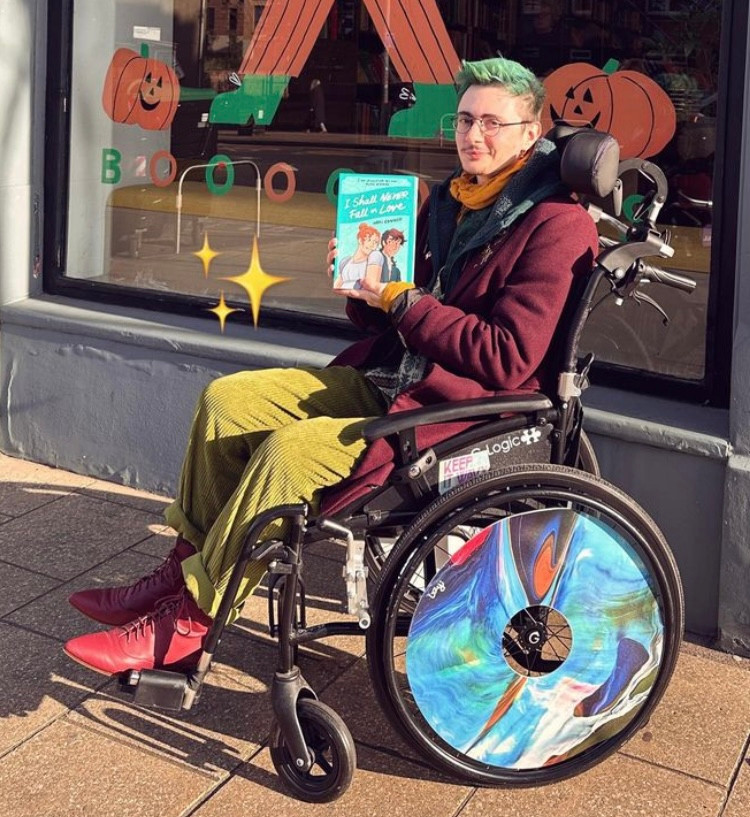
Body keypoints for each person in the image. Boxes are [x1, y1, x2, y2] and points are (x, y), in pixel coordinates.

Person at [63, 57, 599, 676]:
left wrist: (405, 301)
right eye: (464, 120)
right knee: (224, 402)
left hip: (454, 412)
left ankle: (191, 620)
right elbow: (390, 316)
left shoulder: (559, 226)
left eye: (492, 124)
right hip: (390, 380)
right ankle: (180, 574)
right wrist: (363, 287)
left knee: (287, 454)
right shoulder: (451, 201)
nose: (473, 136)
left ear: (531, 134)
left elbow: (505, 358)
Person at [333, 223, 383, 289]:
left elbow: (371, 287)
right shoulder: (345, 261)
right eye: (369, 240)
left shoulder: (374, 257)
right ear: (360, 240)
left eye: (376, 242)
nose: (373, 245)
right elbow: (337, 286)